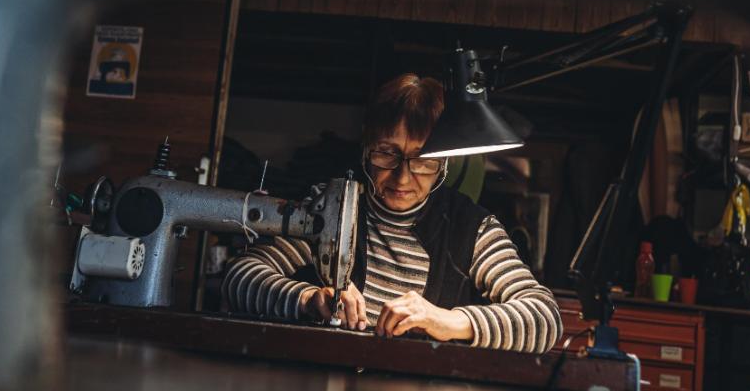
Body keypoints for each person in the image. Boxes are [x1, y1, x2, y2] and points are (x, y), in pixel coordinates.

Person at [222, 73, 563, 353]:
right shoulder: (331, 208)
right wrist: (307, 298)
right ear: (367, 149)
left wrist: (448, 322)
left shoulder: (474, 231)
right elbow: (238, 280)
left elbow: (545, 320)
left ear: (445, 161)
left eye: (422, 160)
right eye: (387, 154)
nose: (402, 177)